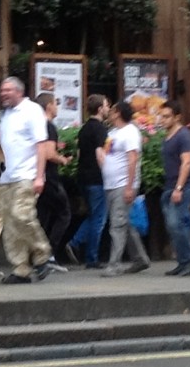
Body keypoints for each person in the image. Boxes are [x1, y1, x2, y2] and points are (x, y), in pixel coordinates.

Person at [0, 76, 53, 285]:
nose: (3, 94)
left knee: (22, 215)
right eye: (2, 90)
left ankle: (42, 254)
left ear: (19, 91)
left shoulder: (32, 111)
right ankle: (20, 268)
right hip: (7, 176)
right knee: (10, 224)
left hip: (26, 175)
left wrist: (39, 176)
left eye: (7, 90)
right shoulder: (6, 115)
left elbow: (41, 145)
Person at [101, 101, 150, 277]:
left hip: (122, 184)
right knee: (125, 223)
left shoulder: (130, 132)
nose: (109, 113)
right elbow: (108, 155)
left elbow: (132, 159)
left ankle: (114, 264)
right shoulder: (113, 133)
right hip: (111, 184)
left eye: (112, 110)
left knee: (117, 224)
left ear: (118, 113)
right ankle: (140, 258)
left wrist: (129, 186)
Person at [158, 100, 190, 277]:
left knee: (175, 223)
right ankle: (183, 261)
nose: (162, 120)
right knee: (175, 224)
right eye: (161, 116)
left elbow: (187, 162)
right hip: (170, 185)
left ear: (177, 117)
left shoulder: (184, 136)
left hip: (183, 185)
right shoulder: (168, 135)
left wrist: (179, 188)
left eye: (166, 116)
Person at [69, 94, 110, 269]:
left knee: (93, 215)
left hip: (83, 177)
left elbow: (79, 154)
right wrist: (108, 174)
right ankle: (91, 257)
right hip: (96, 179)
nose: (108, 108)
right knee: (99, 218)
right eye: (107, 105)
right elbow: (100, 154)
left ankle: (75, 242)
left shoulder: (84, 128)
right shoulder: (100, 129)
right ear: (100, 109)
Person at [34, 92, 72, 272]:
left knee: (43, 216)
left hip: (38, 177)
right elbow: (49, 154)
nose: (57, 106)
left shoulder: (36, 126)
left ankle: (38, 255)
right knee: (64, 213)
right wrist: (63, 159)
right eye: (55, 103)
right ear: (48, 106)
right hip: (49, 178)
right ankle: (49, 254)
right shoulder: (48, 127)